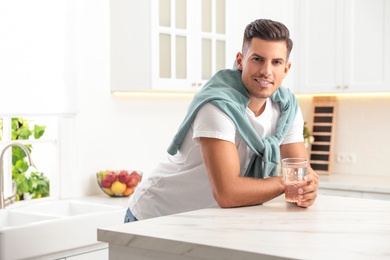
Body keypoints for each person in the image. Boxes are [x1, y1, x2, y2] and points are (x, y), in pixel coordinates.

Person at [124, 18, 319, 222]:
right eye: (257, 59)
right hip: (156, 216)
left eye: (276, 62)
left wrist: (307, 190)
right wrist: (286, 183)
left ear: (286, 69)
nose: (266, 71)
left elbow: (301, 176)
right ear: (240, 60)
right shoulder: (217, 107)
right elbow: (228, 193)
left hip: (206, 219)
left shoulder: (287, 108)